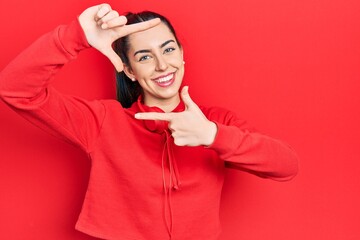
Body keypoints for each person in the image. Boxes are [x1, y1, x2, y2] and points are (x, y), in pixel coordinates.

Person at [0, 3, 299, 240]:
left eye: (168, 50)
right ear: (129, 70)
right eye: (144, 57)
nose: (161, 65)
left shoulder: (216, 121)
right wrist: (74, 37)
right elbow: (14, 89)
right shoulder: (103, 122)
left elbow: (286, 166)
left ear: (182, 54)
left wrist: (212, 135)